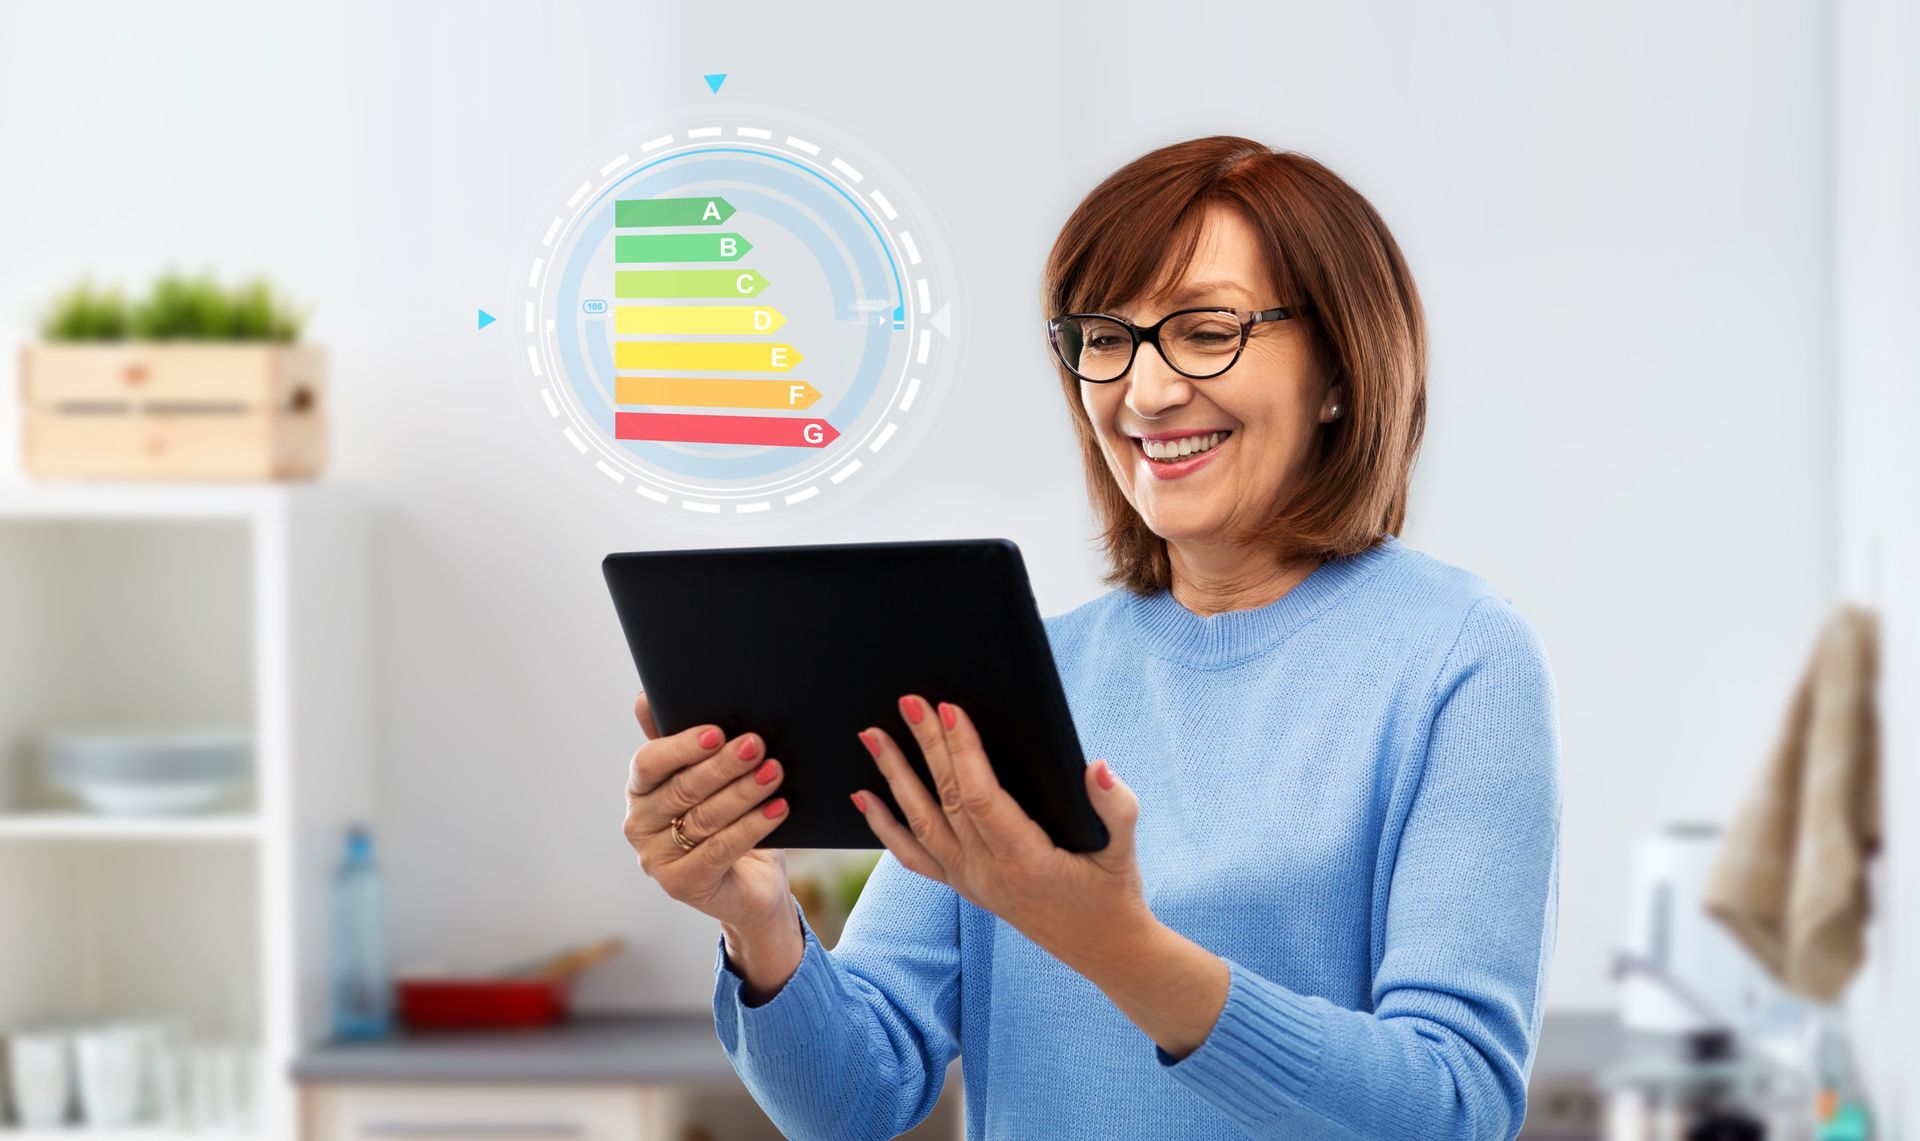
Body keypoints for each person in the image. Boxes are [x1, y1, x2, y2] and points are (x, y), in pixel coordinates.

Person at [622, 135, 1561, 1140]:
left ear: (1341, 368)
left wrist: (1118, 949)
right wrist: (757, 919)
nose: (1145, 394)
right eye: (1107, 338)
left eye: (1206, 331)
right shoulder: (1027, 673)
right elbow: (856, 1095)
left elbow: (1455, 1103)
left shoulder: (1461, 659)